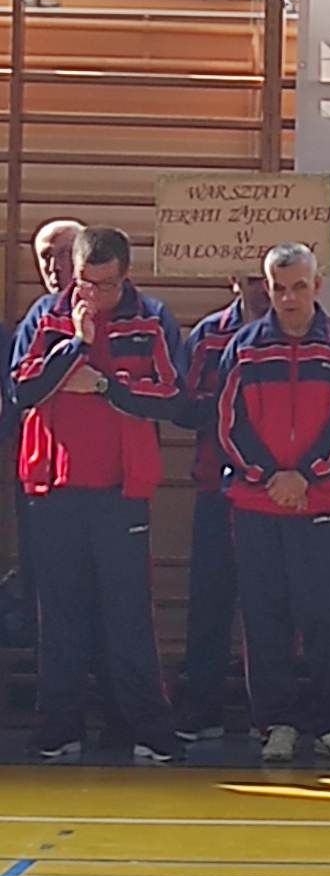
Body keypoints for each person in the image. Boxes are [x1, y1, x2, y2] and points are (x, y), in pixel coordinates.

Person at [11, 226, 185, 763]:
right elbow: (22, 388)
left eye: (107, 285)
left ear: (126, 276)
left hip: (120, 490)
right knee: (59, 615)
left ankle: (147, 729)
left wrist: (108, 386)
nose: (95, 295)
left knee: (128, 616)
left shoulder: (151, 319)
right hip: (54, 488)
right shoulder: (47, 316)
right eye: (87, 283)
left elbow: (172, 397)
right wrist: (77, 347)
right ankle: (59, 728)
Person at [217, 243, 330, 765]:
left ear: (317, 285)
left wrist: (307, 475)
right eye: (279, 288)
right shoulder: (243, 348)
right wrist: (269, 477)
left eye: (298, 287)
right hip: (256, 504)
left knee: (327, 617)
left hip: (319, 501)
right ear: (267, 288)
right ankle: (276, 724)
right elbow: (228, 423)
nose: (288, 298)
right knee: (265, 618)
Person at [172, 272, 270, 742]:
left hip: (275, 491)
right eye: (252, 279)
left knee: (271, 607)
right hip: (217, 484)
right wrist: (231, 408)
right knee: (209, 602)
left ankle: (269, 716)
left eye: (267, 279)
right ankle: (202, 708)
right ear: (235, 280)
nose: (262, 289)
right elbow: (182, 406)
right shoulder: (209, 334)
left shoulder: (300, 335)